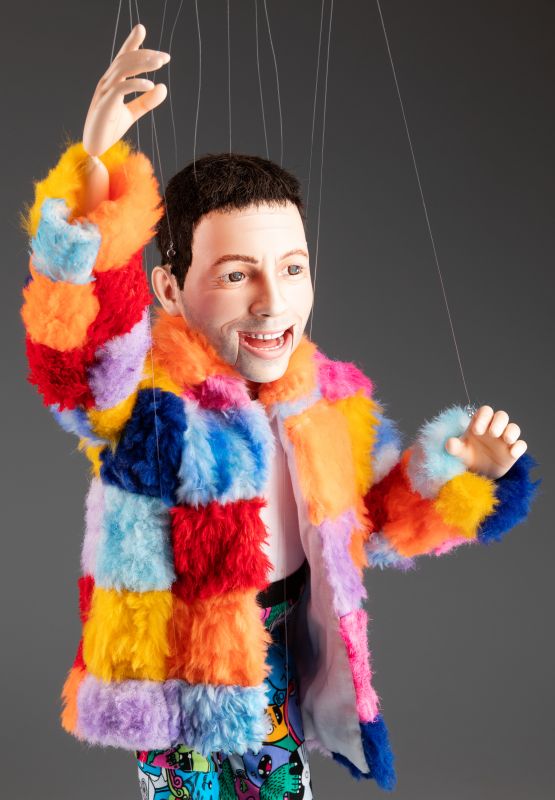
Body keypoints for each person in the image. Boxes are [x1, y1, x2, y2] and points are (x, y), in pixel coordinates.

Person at [20, 24, 540, 798]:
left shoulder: (326, 397)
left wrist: (459, 476)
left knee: (281, 786)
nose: (273, 301)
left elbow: (373, 523)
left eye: (293, 268)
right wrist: (93, 182)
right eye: (236, 274)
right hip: (179, 670)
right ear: (170, 290)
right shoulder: (146, 405)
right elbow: (73, 349)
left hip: (278, 655)